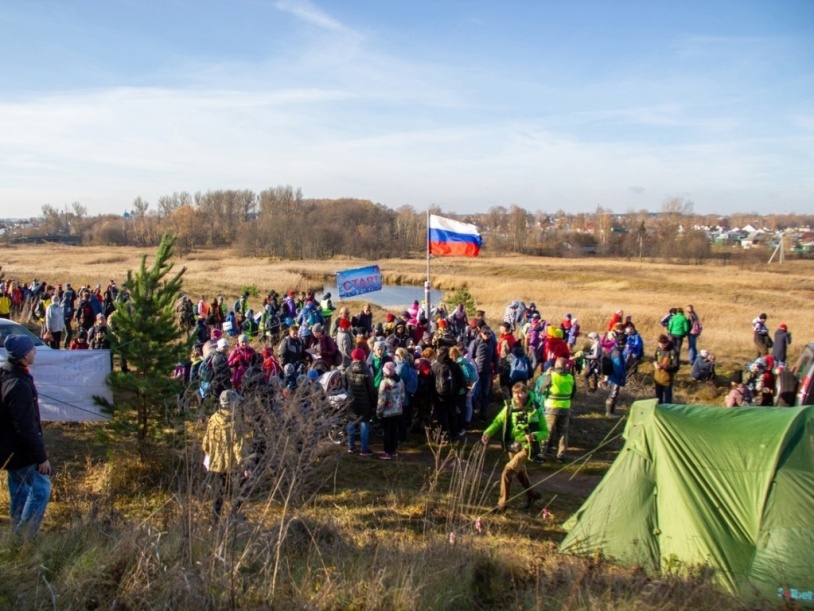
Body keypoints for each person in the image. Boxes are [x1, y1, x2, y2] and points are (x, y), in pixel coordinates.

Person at [0, 335, 52, 536]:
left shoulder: (6, 372)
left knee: (19, 490)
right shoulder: (19, 386)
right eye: (32, 349)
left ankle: (16, 533)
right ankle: (24, 536)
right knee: (41, 489)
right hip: (20, 450)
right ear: (23, 356)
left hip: (7, 450)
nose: (35, 352)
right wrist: (41, 458)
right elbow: (26, 427)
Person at [481, 383, 546, 512]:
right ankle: (532, 496)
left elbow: (545, 431)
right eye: (515, 393)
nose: (518, 396)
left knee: (507, 472)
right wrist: (488, 432)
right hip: (513, 445)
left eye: (521, 393)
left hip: (527, 447)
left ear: (526, 393)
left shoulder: (535, 408)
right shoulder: (509, 407)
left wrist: (534, 436)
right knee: (520, 473)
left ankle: (502, 504)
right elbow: (498, 421)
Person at [202, 390, 250, 523]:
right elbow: (238, 445)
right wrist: (244, 465)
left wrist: (208, 455)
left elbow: (206, 441)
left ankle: (214, 521)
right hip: (232, 464)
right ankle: (234, 517)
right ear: (232, 403)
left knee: (218, 493)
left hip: (216, 463)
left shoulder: (213, 418)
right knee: (240, 490)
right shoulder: (235, 421)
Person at [536, 357, 576, 462]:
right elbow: (573, 393)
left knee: (547, 432)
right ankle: (561, 456)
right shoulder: (571, 378)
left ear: (556, 366)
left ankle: (541, 454)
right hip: (565, 408)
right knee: (563, 433)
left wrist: (546, 375)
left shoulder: (552, 376)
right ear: (566, 366)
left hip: (551, 408)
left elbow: (540, 390)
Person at [344, 348, 376, 456]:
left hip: (351, 400)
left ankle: (351, 446)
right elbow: (371, 389)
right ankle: (364, 448)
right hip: (364, 401)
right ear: (363, 357)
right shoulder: (367, 371)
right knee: (364, 424)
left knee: (351, 422)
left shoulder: (348, 370)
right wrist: (374, 402)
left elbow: (346, 386)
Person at [377, 361, 405, 460]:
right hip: (397, 409)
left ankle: (387, 451)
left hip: (387, 411)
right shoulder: (400, 380)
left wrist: (378, 412)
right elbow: (402, 395)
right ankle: (393, 450)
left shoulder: (384, 383)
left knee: (387, 431)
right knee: (394, 430)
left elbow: (381, 399)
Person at [471, 325, 498, 422]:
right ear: (481, 333)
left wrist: (496, 370)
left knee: (485, 393)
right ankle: (472, 413)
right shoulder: (476, 342)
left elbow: (495, 357)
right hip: (477, 372)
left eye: (489, 333)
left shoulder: (493, 343)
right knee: (474, 393)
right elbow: (470, 356)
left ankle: (483, 414)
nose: (487, 335)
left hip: (487, 372)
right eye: (485, 333)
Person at [653, 334, 680, 404]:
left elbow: (676, 367)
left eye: (664, 344)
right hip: (657, 379)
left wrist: (664, 366)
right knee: (658, 399)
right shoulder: (658, 349)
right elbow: (654, 359)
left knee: (668, 400)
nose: (662, 346)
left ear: (667, 342)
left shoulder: (673, 352)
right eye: (660, 344)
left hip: (667, 381)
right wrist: (655, 363)